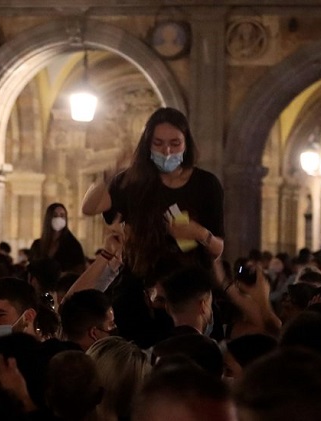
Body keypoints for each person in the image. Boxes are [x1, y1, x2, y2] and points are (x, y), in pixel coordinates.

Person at [81, 107, 224, 348]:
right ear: (148, 145)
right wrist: (110, 173)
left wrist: (198, 233)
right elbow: (90, 207)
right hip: (138, 293)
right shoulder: (132, 182)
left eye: (174, 143)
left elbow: (218, 247)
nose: (167, 151)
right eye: (158, 143)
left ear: (186, 143)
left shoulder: (206, 184)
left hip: (187, 294)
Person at [29, 203, 86, 274]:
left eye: (62, 215)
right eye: (55, 215)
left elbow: (79, 271)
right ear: (49, 218)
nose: (59, 218)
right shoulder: (37, 245)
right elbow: (31, 268)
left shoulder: (73, 246)